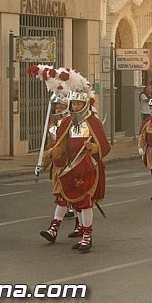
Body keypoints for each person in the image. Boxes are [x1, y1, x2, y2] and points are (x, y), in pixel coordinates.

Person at [44, 69, 110, 253]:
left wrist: (94, 148)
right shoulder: (66, 123)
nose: (75, 107)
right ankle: (78, 231)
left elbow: (104, 147)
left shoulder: (93, 122)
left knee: (85, 201)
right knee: (72, 201)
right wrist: (51, 153)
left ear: (85, 104)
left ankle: (87, 236)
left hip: (88, 167)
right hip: (70, 167)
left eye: (79, 104)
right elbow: (62, 145)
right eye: (73, 104)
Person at [28, 65, 76, 243]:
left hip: (71, 166)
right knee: (65, 196)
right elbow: (49, 147)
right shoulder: (52, 126)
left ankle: (54, 229)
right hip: (58, 166)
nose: (57, 109)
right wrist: (42, 164)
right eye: (56, 107)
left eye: (61, 106)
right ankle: (79, 224)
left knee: (64, 197)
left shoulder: (73, 124)